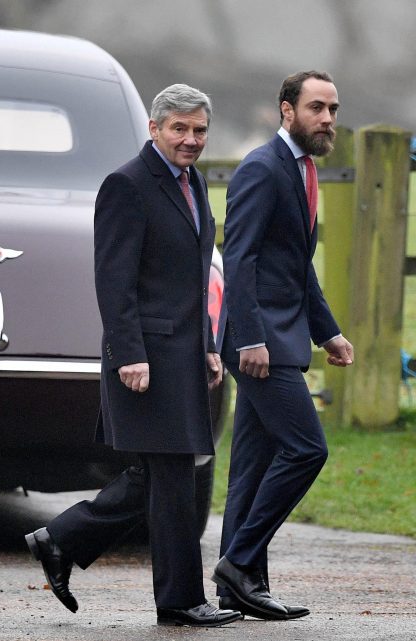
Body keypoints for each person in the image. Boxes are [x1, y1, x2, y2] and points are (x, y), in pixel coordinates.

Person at [24, 84, 241, 628]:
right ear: (154, 128)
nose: (191, 140)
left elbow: (192, 278)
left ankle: (59, 539)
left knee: (157, 474)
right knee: (171, 477)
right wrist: (128, 354)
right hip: (147, 356)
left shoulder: (193, 184)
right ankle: (181, 600)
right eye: (179, 129)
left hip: (185, 354)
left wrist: (209, 346)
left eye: (199, 130)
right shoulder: (127, 185)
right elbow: (114, 279)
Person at [213, 70, 354, 620]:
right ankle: (240, 561)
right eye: (317, 108)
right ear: (286, 110)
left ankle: (237, 588)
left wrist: (329, 331)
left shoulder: (302, 171)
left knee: (251, 466)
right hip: (260, 346)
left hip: (283, 339)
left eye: (333, 109)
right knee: (307, 449)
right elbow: (240, 258)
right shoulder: (261, 168)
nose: (327, 119)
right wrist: (248, 337)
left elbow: (295, 268)